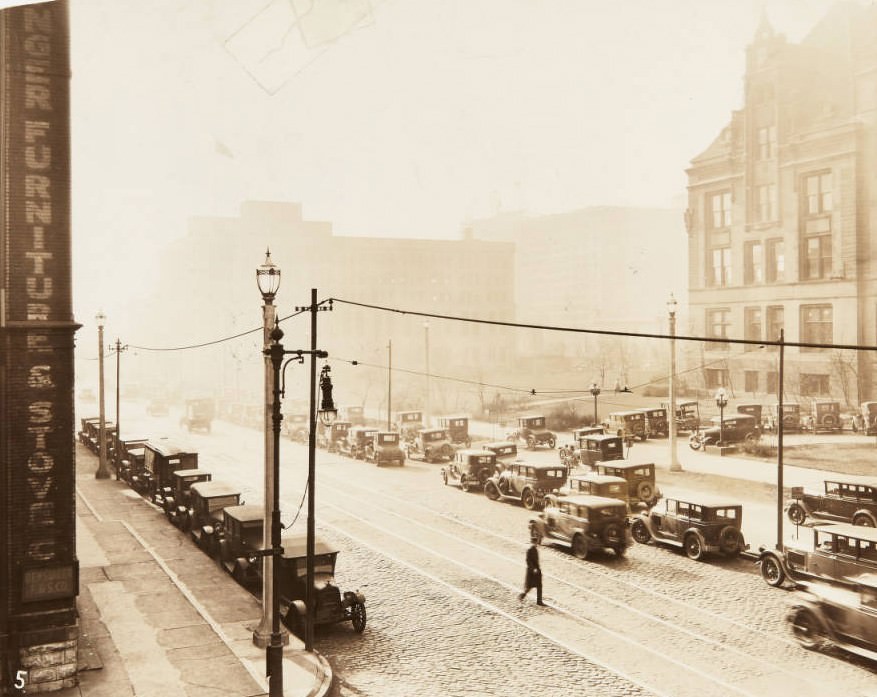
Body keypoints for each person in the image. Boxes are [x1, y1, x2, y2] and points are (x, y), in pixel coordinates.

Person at [519, 539, 544, 605]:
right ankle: (522, 595)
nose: (536, 544)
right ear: (532, 542)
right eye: (534, 542)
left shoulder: (535, 549)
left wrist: (538, 569)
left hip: (537, 571)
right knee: (529, 586)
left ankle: (539, 601)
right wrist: (533, 569)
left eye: (536, 542)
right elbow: (528, 561)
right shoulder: (529, 550)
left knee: (539, 586)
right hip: (531, 572)